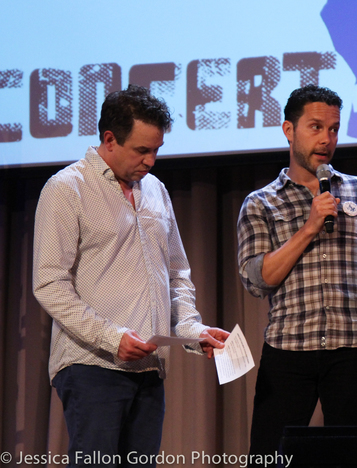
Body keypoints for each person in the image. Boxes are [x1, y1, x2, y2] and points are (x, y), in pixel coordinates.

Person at [33, 84, 230, 467]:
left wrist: (191, 329)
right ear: (109, 139)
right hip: (92, 367)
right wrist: (111, 337)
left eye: (156, 149)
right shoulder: (67, 189)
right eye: (142, 150)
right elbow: (49, 283)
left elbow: (176, 275)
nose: (151, 160)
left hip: (149, 370)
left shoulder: (155, 190)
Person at [237, 84, 357, 459]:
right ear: (289, 130)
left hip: (353, 353)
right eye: (316, 127)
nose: (326, 139)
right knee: (269, 458)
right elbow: (257, 280)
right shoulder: (261, 203)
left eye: (334, 129)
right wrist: (308, 227)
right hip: (288, 352)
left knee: (352, 459)